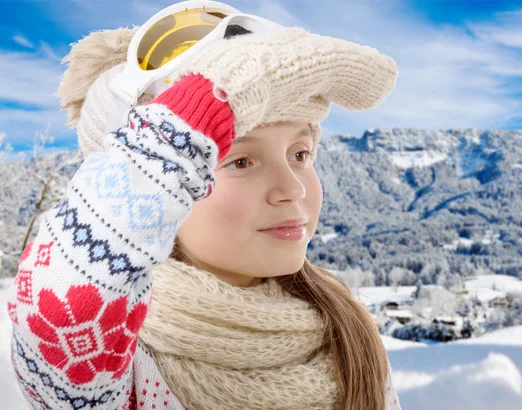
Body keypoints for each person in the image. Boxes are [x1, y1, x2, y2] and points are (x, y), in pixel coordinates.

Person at [6, 2, 400, 409]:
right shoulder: (118, 366)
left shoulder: (347, 334)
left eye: (300, 154)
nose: (292, 189)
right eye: (241, 161)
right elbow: (58, 309)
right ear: (158, 180)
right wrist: (223, 89)